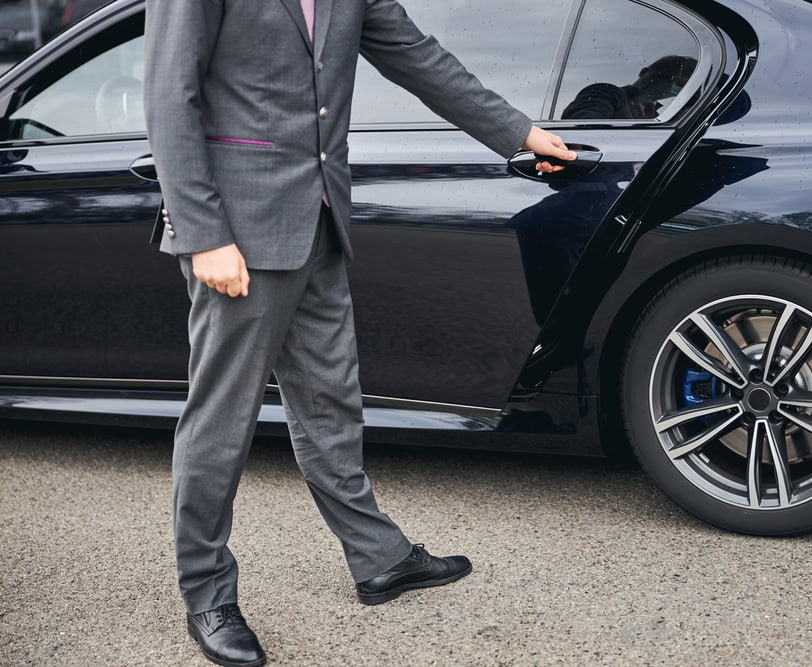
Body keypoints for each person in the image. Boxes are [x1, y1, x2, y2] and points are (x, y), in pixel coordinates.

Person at [143, 1, 576, 666]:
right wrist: (203, 236)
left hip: (318, 218)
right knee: (221, 420)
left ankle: (379, 557)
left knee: (331, 400)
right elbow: (171, 95)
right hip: (238, 229)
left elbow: (419, 56)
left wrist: (517, 131)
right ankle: (207, 593)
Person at [561, 55, 696, 120]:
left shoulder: (659, 118)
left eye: (682, 84)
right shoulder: (607, 93)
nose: (673, 84)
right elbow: (581, 130)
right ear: (644, 72)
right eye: (669, 77)